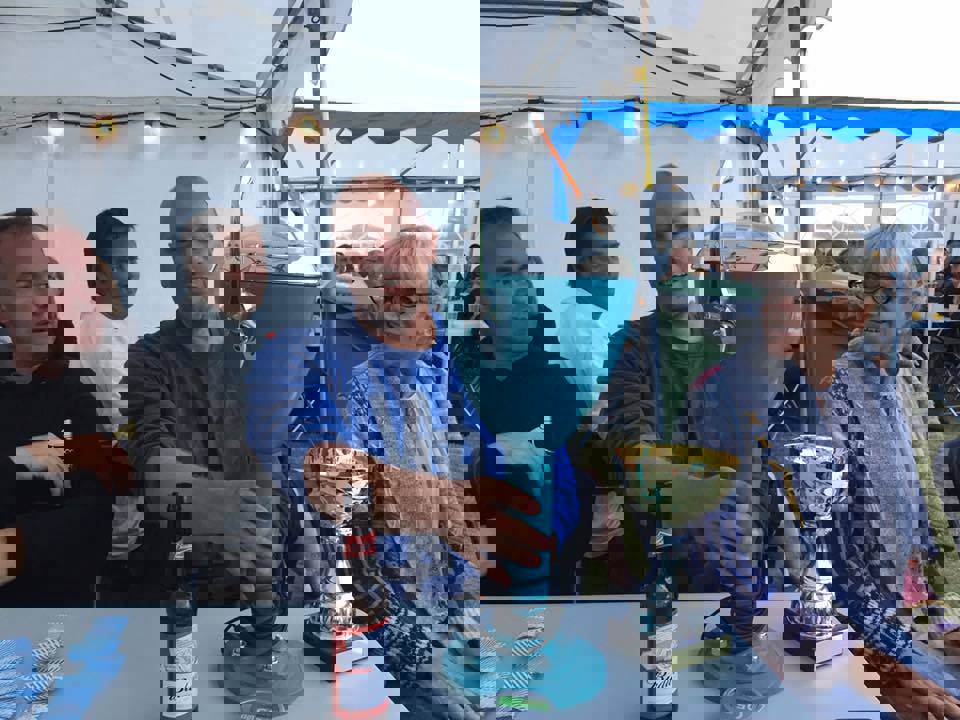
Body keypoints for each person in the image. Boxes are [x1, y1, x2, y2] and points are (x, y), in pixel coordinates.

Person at [298, 176, 483, 719]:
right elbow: (333, 488)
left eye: (419, 231)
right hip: (372, 624)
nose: (421, 243)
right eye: (401, 233)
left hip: (441, 606)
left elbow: (463, 449)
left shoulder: (432, 343)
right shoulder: (325, 355)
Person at [117, 177, 286, 609]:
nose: (193, 262)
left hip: (255, 571)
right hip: (176, 570)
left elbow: (279, 450)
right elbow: (153, 444)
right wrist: (209, 499)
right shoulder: (148, 356)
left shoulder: (259, 352)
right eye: (181, 247)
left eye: (205, 246)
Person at [451, 206, 582, 597]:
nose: (525, 288)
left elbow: (563, 488)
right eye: (508, 274)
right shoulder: (441, 377)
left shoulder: (552, 375)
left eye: (527, 271)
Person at [0, 209, 118, 607]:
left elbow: (96, 516)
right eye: (27, 284)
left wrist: (18, 548)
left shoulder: (83, 391)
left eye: (49, 281)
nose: (45, 300)